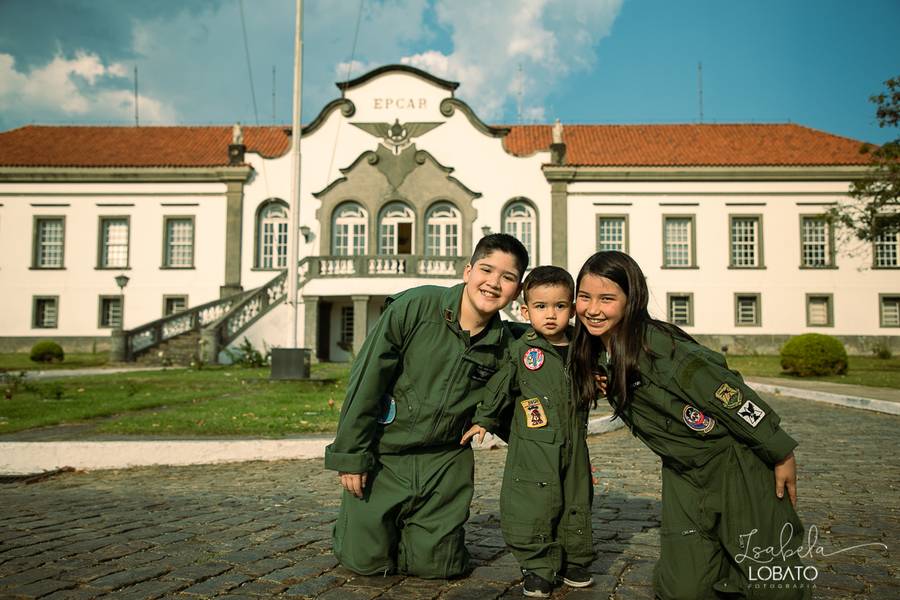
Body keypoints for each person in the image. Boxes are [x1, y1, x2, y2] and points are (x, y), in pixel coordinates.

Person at [569, 250, 809, 600]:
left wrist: (781, 452)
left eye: (607, 299)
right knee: (683, 589)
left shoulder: (660, 348)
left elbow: (731, 396)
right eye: (585, 297)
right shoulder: (599, 353)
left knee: (772, 580)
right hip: (683, 472)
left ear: (631, 299)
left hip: (734, 464)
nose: (592, 309)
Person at [324, 233, 528, 579]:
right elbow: (366, 381)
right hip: (385, 456)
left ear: (518, 290)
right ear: (468, 271)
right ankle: (370, 528)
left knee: (437, 567)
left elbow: (554, 345)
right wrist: (352, 457)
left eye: (507, 277)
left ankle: (420, 534)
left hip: (444, 464)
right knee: (365, 561)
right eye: (486, 269)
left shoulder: (507, 345)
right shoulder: (415, 307)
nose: (493, 283)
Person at [461, 266, 594, 598]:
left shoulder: (583, 345)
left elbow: (601, 370)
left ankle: (573, 559)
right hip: (533, 444)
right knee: (533, 503)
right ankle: (536, 566)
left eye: (560, 306)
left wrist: (603, 379)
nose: (551, 315)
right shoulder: (523, 349)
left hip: (574, 441)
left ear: (573, 307)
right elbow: (501, 386)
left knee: (575, 498)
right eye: (540, 307)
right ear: (525, 310)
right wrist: (485, 419)